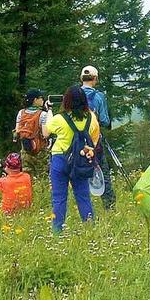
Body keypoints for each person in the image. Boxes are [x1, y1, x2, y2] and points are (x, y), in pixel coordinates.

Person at [45, 84, 100, 233]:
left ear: (66, 100)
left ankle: (57, 232)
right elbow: (95, 138)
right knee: (83, 196)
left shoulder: (59, 118)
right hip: (81, 160)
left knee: (59, 198)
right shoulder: (91, 117)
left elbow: (45, 132)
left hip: (60, 159)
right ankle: (90, 229)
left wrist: (48, 110)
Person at [80, 65, 115, 209]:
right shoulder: (99, 97)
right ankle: (109, 206)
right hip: (95, 142)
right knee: (103, 172)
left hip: (77, 142)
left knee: (79, 173)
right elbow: (105, 121)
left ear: (81, 78)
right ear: (95, 79)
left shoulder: (72, 94)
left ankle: (84, 207)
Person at [14, 89, 49, 177]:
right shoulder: (43, 114)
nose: (43, 100)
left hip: (25, 149)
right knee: (42, 175)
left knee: (27, 175)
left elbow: (17, 131)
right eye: (41, 98)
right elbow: (45, 134)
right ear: (35, 100)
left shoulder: (21, 113)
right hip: (40, 151)